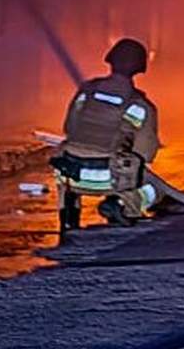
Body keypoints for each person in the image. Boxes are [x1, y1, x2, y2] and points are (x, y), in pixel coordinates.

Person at [50, 37, 161, 230]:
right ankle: (121, 205)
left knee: (64, 152)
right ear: (140, 67)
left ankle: (68, 213)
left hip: (70, 174)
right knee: (156, 189)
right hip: (108, 178)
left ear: (110, 61)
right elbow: (146, 153)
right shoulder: (141, 106)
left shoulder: (86, 92)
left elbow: (70, 127)